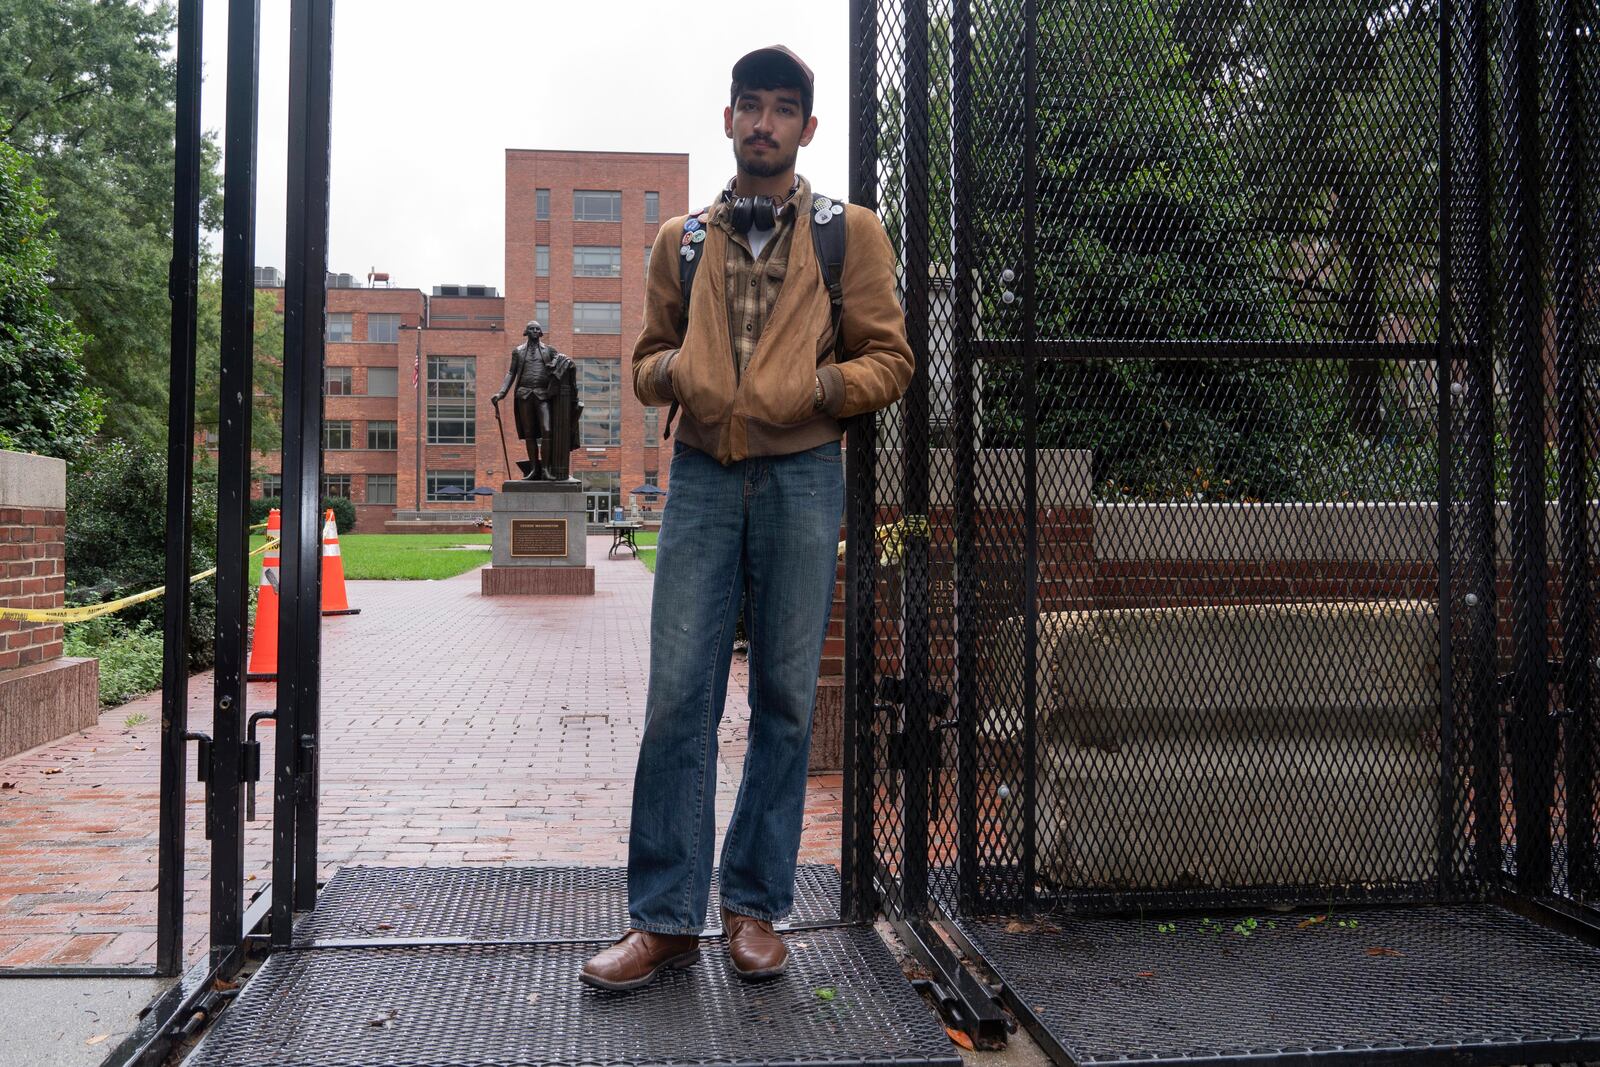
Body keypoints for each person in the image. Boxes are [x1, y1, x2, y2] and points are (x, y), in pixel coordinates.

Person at [579, 44, 914, 991]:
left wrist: (813, 386)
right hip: (701, 481)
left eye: (782, 109)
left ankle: (755, 906)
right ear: (728, 119)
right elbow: (644, 359)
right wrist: (678, 370)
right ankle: (665, 920)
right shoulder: (679, 240)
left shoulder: (851, 234)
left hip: (805, 477)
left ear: (807, 129)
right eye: (748, 105)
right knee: (678, 698)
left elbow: (891, 358)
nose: (763, 122)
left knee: (785, 699)